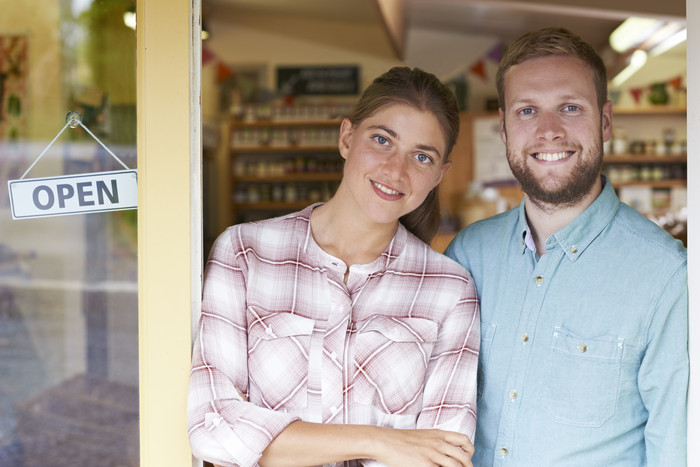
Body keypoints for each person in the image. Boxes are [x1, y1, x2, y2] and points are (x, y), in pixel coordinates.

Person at [188, 66, 480, 467]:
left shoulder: (450, 289)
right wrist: (381, 442)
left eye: (422, 157)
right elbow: (212, 427)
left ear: (440, 174)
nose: (395, 171)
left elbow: (444, 455)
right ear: (347, 137)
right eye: (382, 140)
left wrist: (272, 439)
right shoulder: (245, 253)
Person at [445, 27, 688, 466]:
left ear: (606, 120)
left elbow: (674, 450)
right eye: (527, 111)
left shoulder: (668, 276)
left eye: (570, 107)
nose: (549, 131)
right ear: (503, 128)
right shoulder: (468, 255)